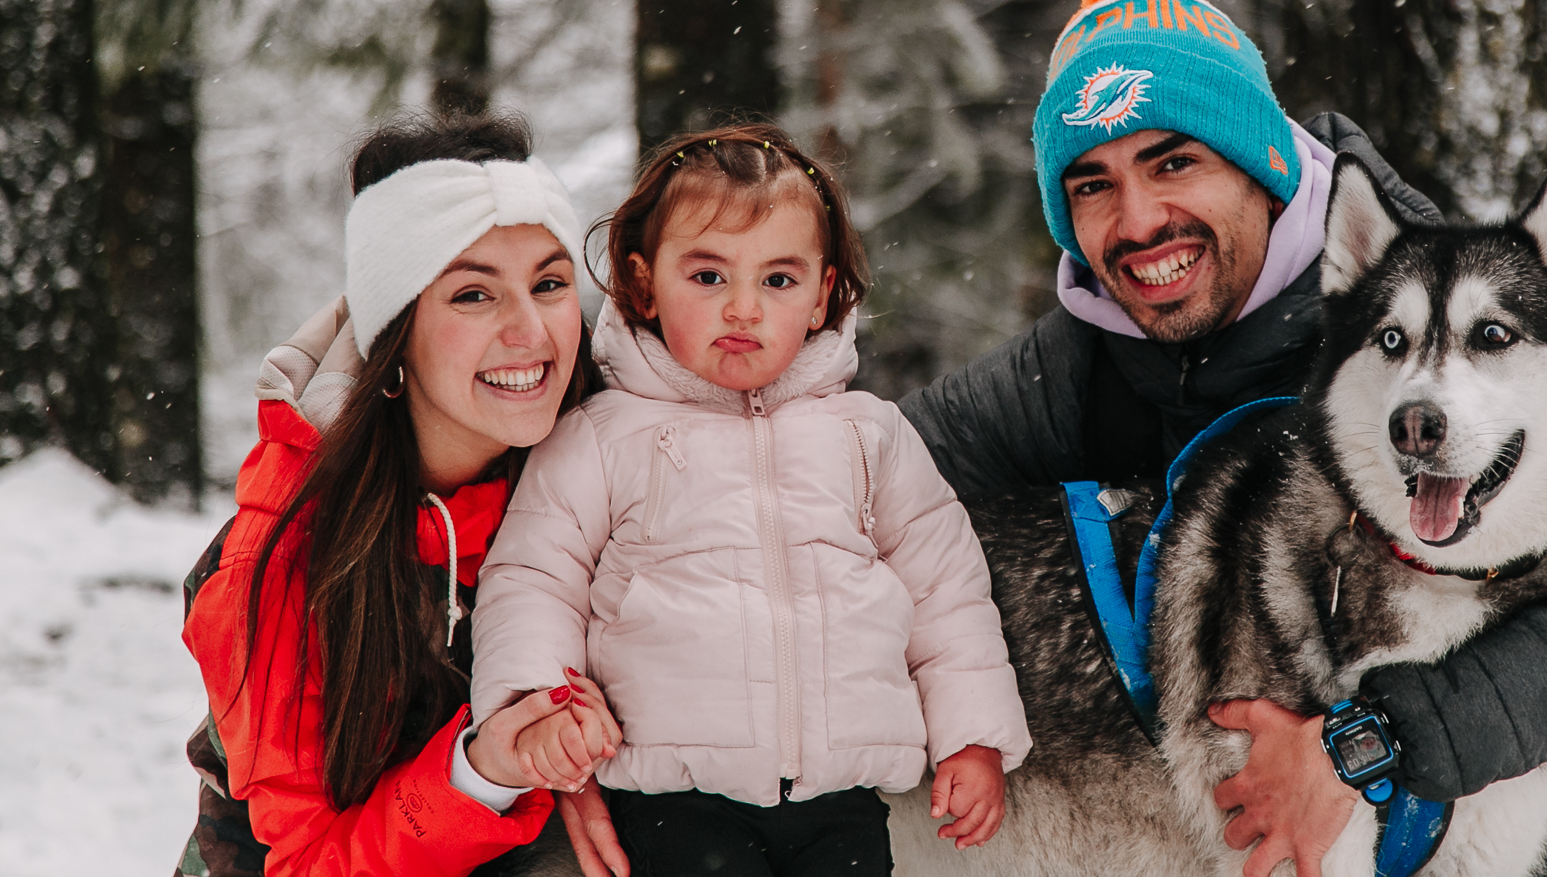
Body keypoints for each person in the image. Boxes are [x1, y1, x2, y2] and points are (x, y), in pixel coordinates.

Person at [900, 0, 1547, 877]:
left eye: (1173, 162)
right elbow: (855, 473)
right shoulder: (1074, 364)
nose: (1137, 223)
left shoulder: (1437, 295)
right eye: (1092, 184)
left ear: (1259, 163)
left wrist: (1361, 748)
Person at [469, 124, 1032, 877]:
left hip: (842, 799)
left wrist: (972, 735)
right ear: (643, 283)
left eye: (778, 280)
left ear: (822, 292)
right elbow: (534, 578)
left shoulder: (870, 434)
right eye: (708, 277)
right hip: (677, 801)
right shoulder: (600, 437)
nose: (743, 308)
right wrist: (539, 703)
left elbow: (946, 591)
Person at [178, 111, 630, 877]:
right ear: (396, 335)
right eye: (473, 296)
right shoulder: (283, 559)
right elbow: (309, 865)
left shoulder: (607, 471)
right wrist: (482, 773)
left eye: (549, 284)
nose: (532, 331)